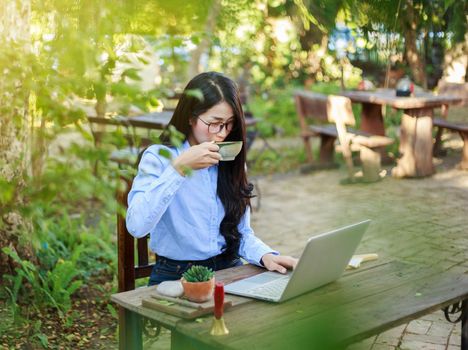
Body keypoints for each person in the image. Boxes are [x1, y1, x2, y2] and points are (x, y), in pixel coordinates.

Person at [126, 71, 297, 285]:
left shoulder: (230, 159)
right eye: (214, 123)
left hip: (229, 269)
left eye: (229, 123)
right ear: (190, 117)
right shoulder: (160, 158)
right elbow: (137, 226)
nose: (222, 133)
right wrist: (178, 169)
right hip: (176, 275)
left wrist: (265, 256)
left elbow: (240, 233)